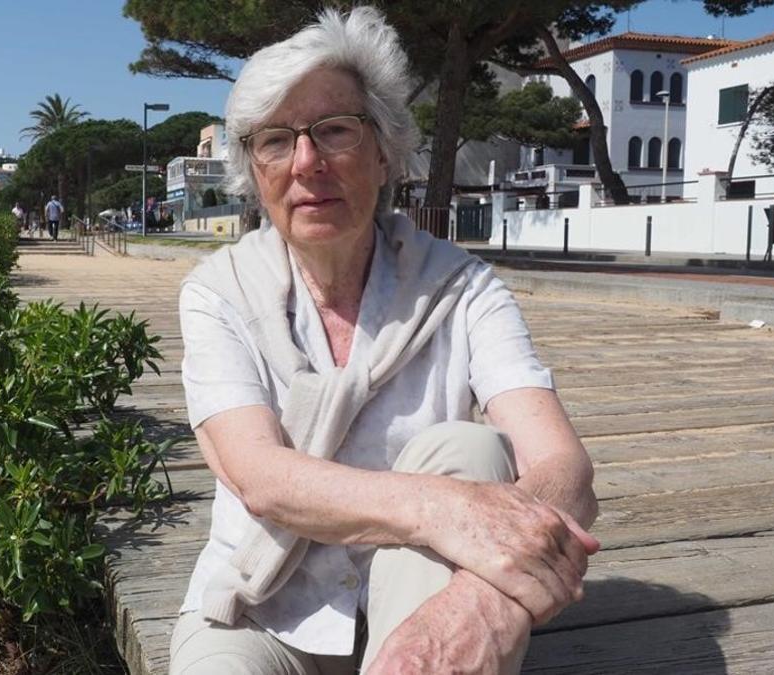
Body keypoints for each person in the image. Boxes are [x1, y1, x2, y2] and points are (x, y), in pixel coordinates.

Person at [170, 8, 598, 675]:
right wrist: (444, 508)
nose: (307, 162)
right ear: (253, 170)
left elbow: (565, 471)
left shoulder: (463, 288)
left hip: (427, 598)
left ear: (383, 150)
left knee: (470, 446)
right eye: (276, 140)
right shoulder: (217, 291)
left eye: (334, 130)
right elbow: (262, 479)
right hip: (263, 603)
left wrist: (483, 602)